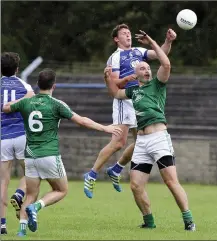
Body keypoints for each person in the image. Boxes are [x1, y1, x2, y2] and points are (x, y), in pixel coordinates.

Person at [2, 68, 123, 237]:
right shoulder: (57, 104)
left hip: (30, 156)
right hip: (49, 155)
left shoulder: (25, 103)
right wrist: (105, 127)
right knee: (61, 190)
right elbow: (81, 121)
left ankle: (21, 230)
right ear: (54, 86)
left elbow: (6, 108)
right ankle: (37, 207)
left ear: (37, 84)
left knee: (30, 193)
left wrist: (23, 98)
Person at [103, 30, 196, 231]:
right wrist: (107, 78)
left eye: (148, 68)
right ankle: (149, 221)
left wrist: (153, 42)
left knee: (171, 182)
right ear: (135, 75)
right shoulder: (133, 90)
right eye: (142, 69)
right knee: (136, 185)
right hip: (142, 143)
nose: (147, 70)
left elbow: (166, 64)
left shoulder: (157, 84)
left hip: (159, 138)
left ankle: (189, 220)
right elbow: (114, 93)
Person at [84, 23, 177, 198]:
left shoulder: (138, 51)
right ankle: (92, 174)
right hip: (124, 100)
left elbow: (160, 54)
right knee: (119, 142)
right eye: (124, 34)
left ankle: (116, 169)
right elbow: (115, 85)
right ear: (116, 39)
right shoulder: (115, 57)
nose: (128, 35)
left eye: (128, 33)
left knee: (142, 140)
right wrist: (129, 77)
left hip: (140, 99)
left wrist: (168, 41)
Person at [1, 52, 35, 234]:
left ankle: (2, 225)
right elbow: (32, 100)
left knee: (2, 182)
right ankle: (20, 194)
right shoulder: (24, 85)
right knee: (31, 173)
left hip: (3, 138)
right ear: (17, 69)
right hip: (22, 135)